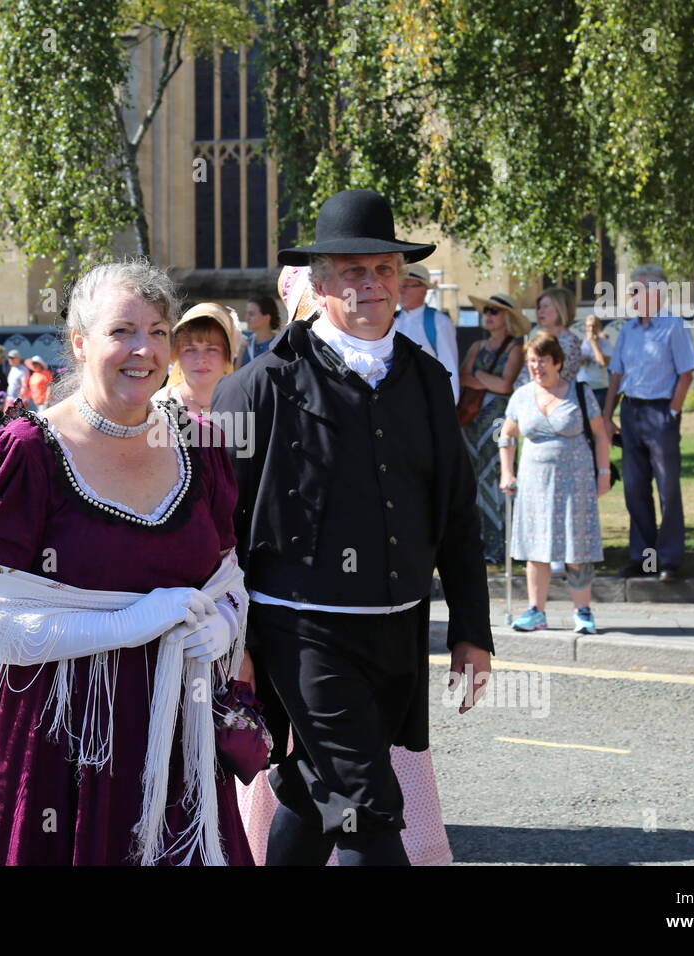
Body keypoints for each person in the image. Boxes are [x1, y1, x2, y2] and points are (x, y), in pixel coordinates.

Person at [0, 260, 254, 866]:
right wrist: (132, 621)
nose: (143, 350)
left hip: (175, 743)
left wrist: (224, 622)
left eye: (156, 331)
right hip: (54, 751)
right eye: (121, 330)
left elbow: (228, 578)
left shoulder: (202, 446)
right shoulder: (24, 455)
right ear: (79, 341)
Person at [212, 189, 494, 866]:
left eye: (383, 270)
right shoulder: (258, 387)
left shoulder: (427, 380)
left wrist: (470, 631)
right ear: (318, 283)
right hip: (302, 635)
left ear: (401, 280)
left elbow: (457, 511)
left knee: (318, 797)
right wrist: (237, 644)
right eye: (351, 271)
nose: (370, 285)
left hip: (398, 633)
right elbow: (220, 531)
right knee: (369, 810)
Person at [499, 333, 611, 634]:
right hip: (535, 482)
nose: (536, 367)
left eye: (542, 361)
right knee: (536, 547)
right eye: (532, 361)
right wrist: (507, 473)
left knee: (577, 546)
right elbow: (507, 435)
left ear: (557, 362)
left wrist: (604, 473)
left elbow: (600, 434)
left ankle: (582, 611)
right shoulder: (522, 395)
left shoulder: (579, 391)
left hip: (576, 481)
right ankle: (536, 611)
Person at [602, 264, 694, 581]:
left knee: (668, 487)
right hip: (631, 412)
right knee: (634, 490)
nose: (629, 296)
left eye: (635, 290)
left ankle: (668, 559)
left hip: (660, 413)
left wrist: (672, 412)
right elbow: (617, 375)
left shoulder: (673, 327)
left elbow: (686, 374)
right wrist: (607, 415)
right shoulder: (628, 330)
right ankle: (645, 561)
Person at [459, 294, 528, 564]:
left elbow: (506, 386)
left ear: (507, 318)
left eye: (494, 312)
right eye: (486, 311)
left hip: (499, 422)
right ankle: (481, 545)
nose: (488, 315)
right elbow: (462, 376)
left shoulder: (516, 348)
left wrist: (480, 379)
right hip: (471, 421)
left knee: (499, 478)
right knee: (475, 480)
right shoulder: (477, 346)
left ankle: (503, 547)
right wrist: (488, 381)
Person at [154, 302, 240, 417]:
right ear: (177, 354)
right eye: (190, 350)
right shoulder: (160, 408)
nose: (201, 359)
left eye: (211, 349)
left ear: (228, 354)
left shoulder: (245, 403)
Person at [394, 263, 460, 402]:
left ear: (423, 289)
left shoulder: (439, 322)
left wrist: (449, 408)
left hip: (423, 401)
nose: (401, 291)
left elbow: (449, 368)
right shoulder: (390, 320)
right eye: (399, 286)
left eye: (406, 286)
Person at [514, 286, 583, 389]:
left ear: (561, 309)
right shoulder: (540, 339)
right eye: (539, 307)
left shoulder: (569, 342)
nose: (540, 311)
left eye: (545, 306)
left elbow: (553, 379)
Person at [578, 313, 612, 411]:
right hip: (583, 386)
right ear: (585, 327)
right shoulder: (581, 343)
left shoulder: (605, 342)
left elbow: (603, 362)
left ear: (599, 327)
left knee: (599, 421)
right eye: (589, 326)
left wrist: (594, 343)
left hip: (600, 387)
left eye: (594, 325)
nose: (591, 328)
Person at [242, 296, 281, 366]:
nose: (246, 318)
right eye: (247, 313)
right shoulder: (245, 344)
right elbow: (237, 374)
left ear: (267, 317)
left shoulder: (279, 344)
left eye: (251, 314)